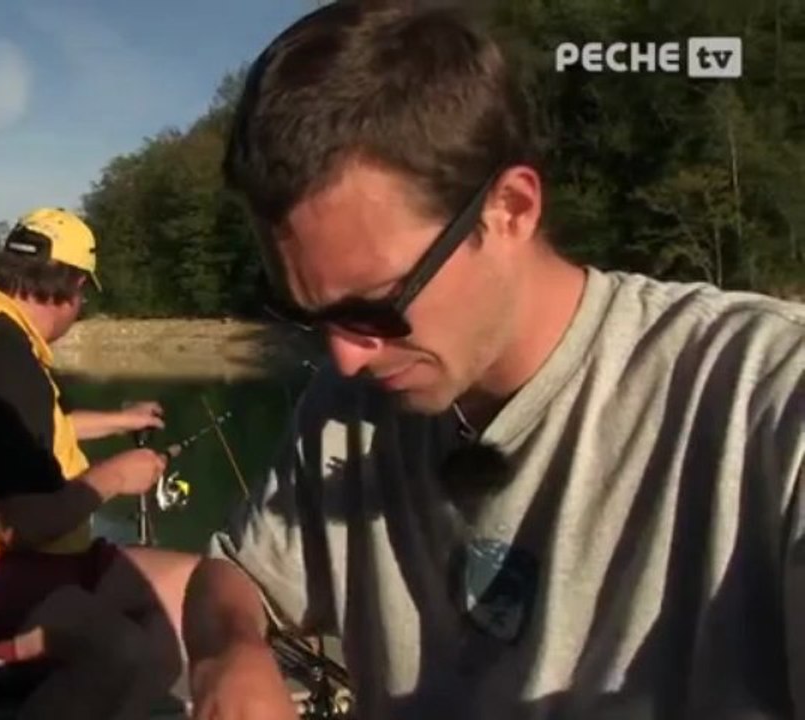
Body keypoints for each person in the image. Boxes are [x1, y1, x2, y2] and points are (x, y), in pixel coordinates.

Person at [182, 3, 805, 719]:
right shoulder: (347, 409)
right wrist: (230, 653)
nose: (346, 358)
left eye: (376, 306)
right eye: (311, 317)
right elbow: (234, 576)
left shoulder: (766, 393)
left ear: (510, 207)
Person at [0, 206, 198, 719]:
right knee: (120, 652)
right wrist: (116, 476)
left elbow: (22, 430)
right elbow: (23, 526)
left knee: (190, 584)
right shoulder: (5, 355)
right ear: (75, 286)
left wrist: (120, 420)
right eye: (84, 295)